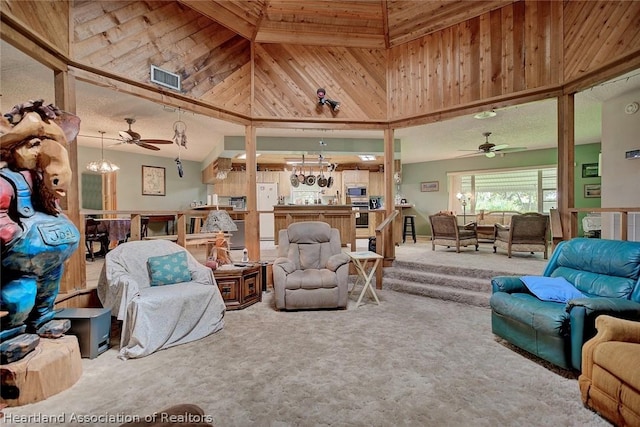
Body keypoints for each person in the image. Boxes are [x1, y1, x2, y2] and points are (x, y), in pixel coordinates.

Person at [0, 100, 81, 350]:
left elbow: (53, 206)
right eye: (33, 144)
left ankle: (43, 319)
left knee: (49, 288)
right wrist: (10, 233)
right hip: (21, 258)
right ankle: (11, 333)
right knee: (21, 293)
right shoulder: (6, 179)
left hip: (49, 258)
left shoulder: (42, 179)